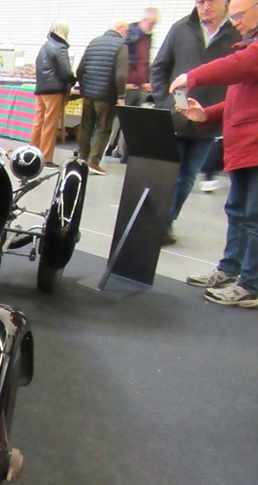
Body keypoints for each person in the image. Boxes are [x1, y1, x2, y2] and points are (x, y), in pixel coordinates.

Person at [170, 0, 258, 308]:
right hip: (244, 147)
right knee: (238, 212)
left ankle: (250, 284)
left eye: (240, 16)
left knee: (253, 218)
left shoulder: (251, 51)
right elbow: (239, 98)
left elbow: (241, 64)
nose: (236, 23)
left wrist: (192, 77)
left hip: (253, 147)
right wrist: (207, 114)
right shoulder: (247, 44)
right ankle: (230, 270)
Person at [150, 0, 239, 245]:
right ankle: (158, 225)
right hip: (175, 118)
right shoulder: (181, 29)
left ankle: (166, 223)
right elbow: (159, 67)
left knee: (188, 177)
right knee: (167, 174)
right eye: (200, 1)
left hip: (209, 121)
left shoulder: (237, 32)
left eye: (211, 1)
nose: (205, 6)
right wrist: (166, 102)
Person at [76, 20, 129, 176]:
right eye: (126, 31)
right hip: (106, 95)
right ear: (120, 29)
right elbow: (121, 75)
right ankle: (94, 161)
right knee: (103, 128)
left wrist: (84, 87)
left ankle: (82, 158)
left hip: (88, 93)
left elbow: (80, 69)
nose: (126, 34)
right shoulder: (121, 46)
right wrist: (121, 96)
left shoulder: (94, 42)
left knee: (86, 126)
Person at [29, 19, 76, 167]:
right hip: (54, 90)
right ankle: (46, 157)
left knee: (38, 121)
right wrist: (73, 80)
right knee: (50, 124)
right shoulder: (60, 47)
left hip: (41, 88)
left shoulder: (45, 46)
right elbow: (66, 72)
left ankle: (32, 151)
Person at [118, 7, 159, 162]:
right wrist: (125, 83)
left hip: (140, 86)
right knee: (125, 121)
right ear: (144, 20)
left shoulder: (147, 37)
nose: (152, 26)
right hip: (129, 86)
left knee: (135, 122)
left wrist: (147, 81)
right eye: (151, 22)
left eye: (154, 23)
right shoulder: (132, 35)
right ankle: (120, 151)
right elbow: (124, 61)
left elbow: (145, 61)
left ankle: (127, 154)